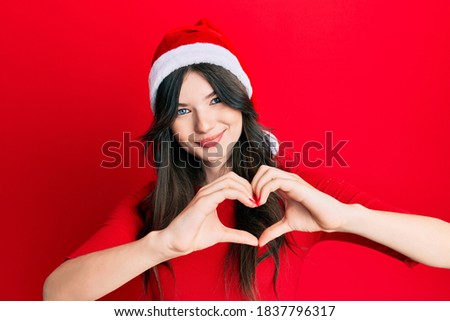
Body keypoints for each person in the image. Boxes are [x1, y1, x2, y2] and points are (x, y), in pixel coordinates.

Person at [43, 18, 450, 301]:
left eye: (216, 99)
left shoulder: (294, 190)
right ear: (168, 124)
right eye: (183, 111)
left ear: (242, 103)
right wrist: (163, 244)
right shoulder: (148, 203)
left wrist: (346, 217)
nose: (204, 123)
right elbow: (57, 294)